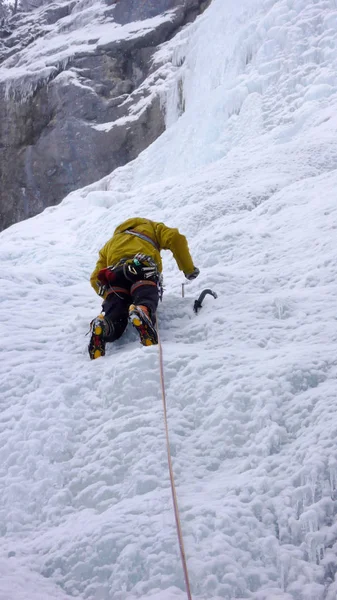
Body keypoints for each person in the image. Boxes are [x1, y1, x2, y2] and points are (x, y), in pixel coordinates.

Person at [88, 217, 199, 359]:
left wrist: (108, 295)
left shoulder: (110, 243)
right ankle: (142, 311)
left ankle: (105, 326)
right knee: (144, 290)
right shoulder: (152, 227)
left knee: (117, 305)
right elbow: (175, 238)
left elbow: (95, 278)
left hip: (114, 274)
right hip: (141, 267)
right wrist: (188, 269)